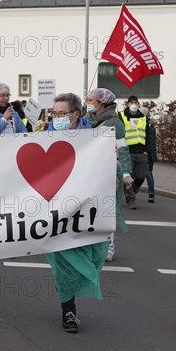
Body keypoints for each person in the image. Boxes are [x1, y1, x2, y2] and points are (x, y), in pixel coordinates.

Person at [44, 93, 117, 333]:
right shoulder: (43, 140)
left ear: (75, 115)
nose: (56, 118)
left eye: (61, 114)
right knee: (64, 264)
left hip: (87, 213)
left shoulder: (96, 139)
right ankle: (69, 311)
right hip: (56, 214)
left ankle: (71, 298)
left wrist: (115, 166)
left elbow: (108, 167)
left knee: (92, 257)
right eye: (53, 114)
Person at [85, 88, 132, 262]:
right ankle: (91, 245)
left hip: (109, 172)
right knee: (91, 210)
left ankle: (109, 246)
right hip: (89, 172)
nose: (88, 103)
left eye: (91, 100)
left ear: (101, 103)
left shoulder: (114, 122)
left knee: (107, 211)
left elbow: (123, 148)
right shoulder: (87, 120)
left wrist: (126, 173)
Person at [119, 95, 149, 209]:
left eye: (135, 102)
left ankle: (132, 191)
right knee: (129, 177)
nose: (133, 104)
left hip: (141, 151)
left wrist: (147, 150)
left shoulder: (143, 117)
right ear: (127, 104)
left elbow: (148, 134)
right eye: (131, 102)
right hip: (128, 151)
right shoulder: (122, 116)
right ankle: (130, 199)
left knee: (141, 176)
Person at [140, 107, 157, 203]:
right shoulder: (150, 125)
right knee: (147, 174)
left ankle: (151, 193)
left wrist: (145, 151)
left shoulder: (147, 125)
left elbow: (150, 142)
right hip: (147, 153)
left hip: (146, 154)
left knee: (147, 173)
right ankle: (151, 193)